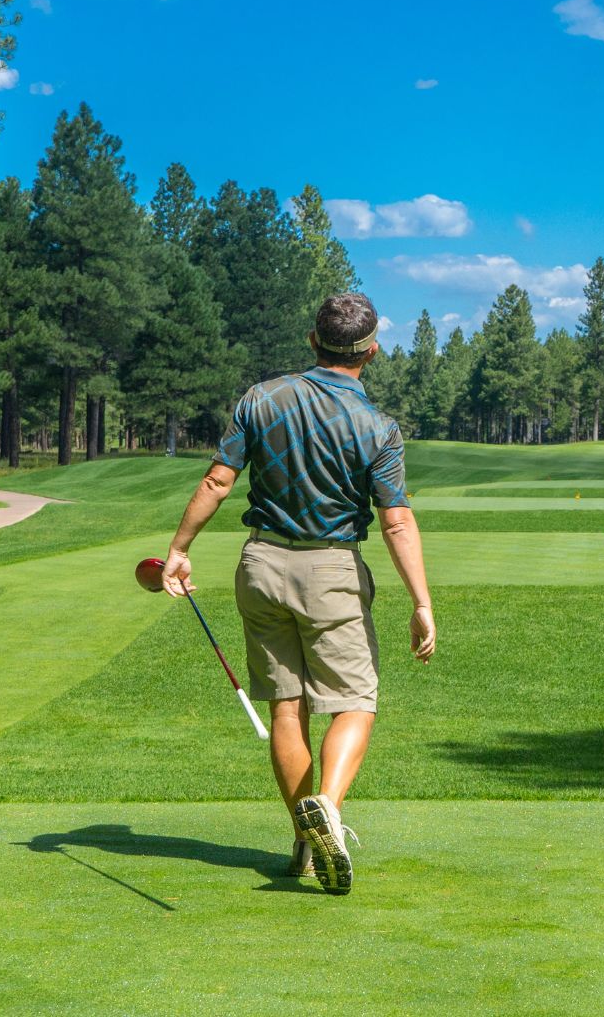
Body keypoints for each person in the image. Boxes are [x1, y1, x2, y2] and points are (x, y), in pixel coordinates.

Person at [163, 291, 436, 896]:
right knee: (354, 702)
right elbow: (395, 521)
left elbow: (217, 480)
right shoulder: (378, 427)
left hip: (260, 564)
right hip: (331, 570)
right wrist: (421, 602)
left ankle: (306, 840)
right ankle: (329, 814)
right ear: (371, 350)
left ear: (313, 341)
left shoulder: (260, 398)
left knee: (288, 707)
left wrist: (180, 547)